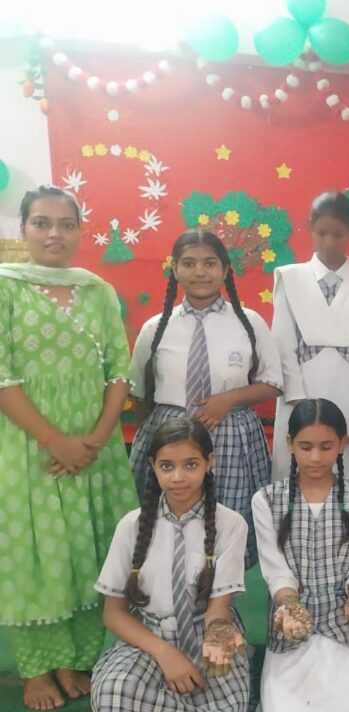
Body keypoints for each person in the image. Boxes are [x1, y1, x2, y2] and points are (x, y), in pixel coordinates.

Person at [0, 186, 139, 711]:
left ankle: (76, 658)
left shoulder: (98, 291)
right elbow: (2, 377)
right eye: (41, 223)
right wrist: (55, 440)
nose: (54, 233)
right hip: (27, 450)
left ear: (80, 231)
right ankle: (37, 668)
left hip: (95, 452)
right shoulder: (5, 288)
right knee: (36, 553)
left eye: (65, 224)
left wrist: (95, 440)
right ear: (23, 229)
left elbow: (119, 372)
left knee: (90, 549)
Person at [91, 418, 249, 712]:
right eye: (166, 466)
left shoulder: (231, 524)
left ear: (209, 462)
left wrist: (217, 637)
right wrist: (165, 653)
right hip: (147, 638)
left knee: (223, 706)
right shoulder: (132, 525)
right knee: (118, 689)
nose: (178, 477)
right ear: (153, 466)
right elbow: (113, 613)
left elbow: (219, 610)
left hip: (205, 632)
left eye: (190, 465)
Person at [130, 229, 282, 569]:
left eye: (210, 263)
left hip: (230, 437)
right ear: (174, 269)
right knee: (166, 524)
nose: (200, 272)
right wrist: (151, 441)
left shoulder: (249, 323)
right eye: (189, 263)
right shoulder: (155, 328)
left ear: (225, 270)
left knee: (225, 525)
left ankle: (222, 590)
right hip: (168, 437)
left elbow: (272, 383)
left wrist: (228, 399)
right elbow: (140, 393)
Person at [252, 398, 349, 712]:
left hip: (343, 617)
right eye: (305, 446)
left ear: (341, 445)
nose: (315, 457)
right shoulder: (266, 500)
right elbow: (275, 569)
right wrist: (290, 608)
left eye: (326, 446)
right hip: (292, 619)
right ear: (289, 444)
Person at [272, 191, 349, 487]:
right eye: (322, 233)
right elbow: (282, 349)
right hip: (299, 395)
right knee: (295, 482)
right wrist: (302, 409)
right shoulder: (289, 278)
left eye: (338, 234)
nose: (330, 243)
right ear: (310, 228)